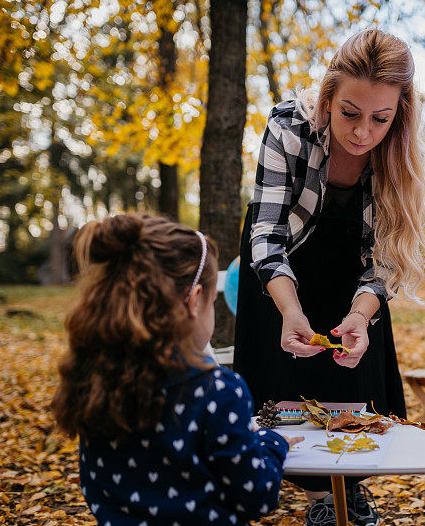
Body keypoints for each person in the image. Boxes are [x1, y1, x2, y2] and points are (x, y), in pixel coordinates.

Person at [233, 28, 425, 526]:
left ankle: (341, 495)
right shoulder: (287, 126)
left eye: (380, 119)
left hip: (352, 281)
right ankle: (288, 482)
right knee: (281, 389)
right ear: (327, 97)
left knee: (354, 384)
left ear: (399, 115)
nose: (363, 132)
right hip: (280, 275)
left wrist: (361, 314)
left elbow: (384, 257)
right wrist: (291, 309)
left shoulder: (398, 156)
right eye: (350, 113)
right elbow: (266, 232)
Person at [52, 213, 295, 525]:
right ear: (195, 301)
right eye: (211, 305)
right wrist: (272, 444)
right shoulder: (218, 391)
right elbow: (256, 495)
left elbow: (93, 484)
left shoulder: (94, 381)